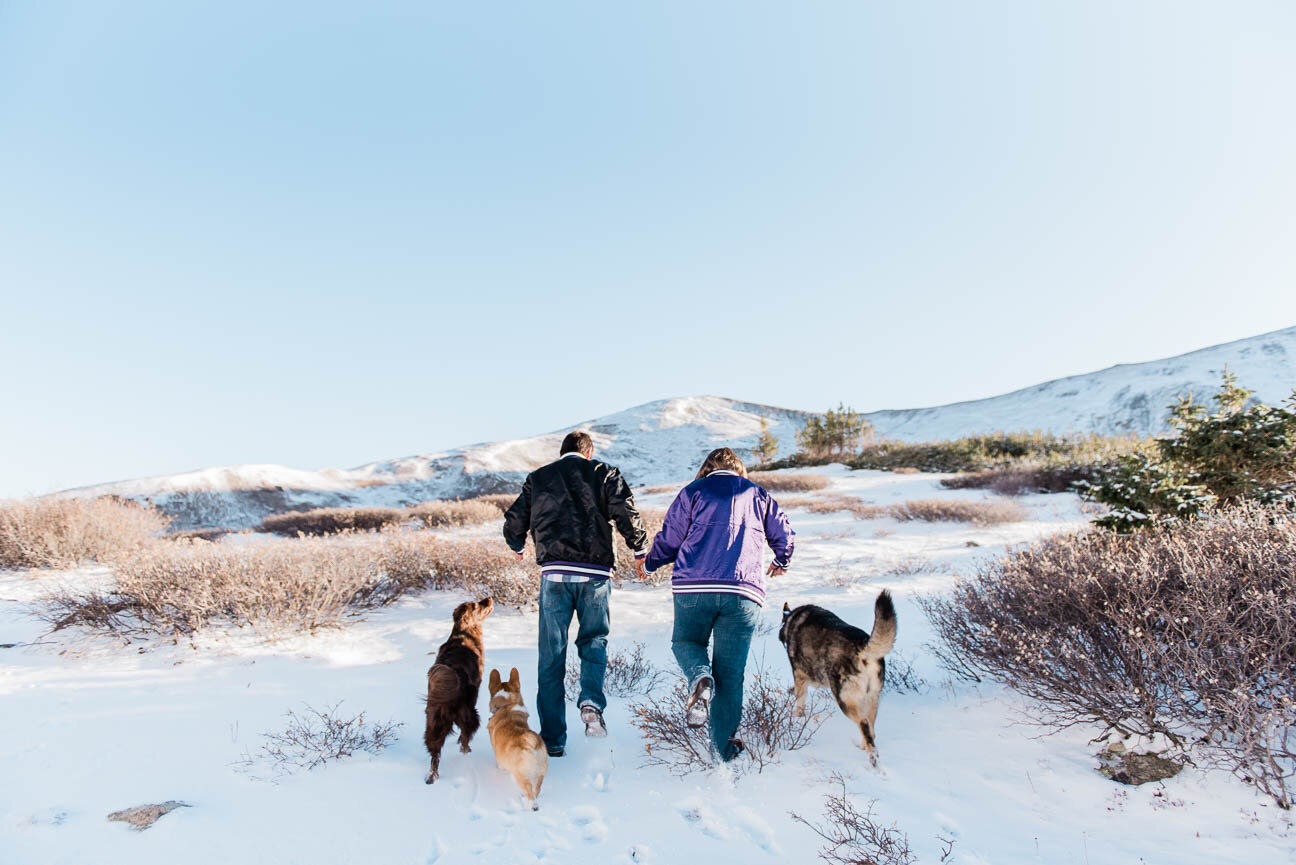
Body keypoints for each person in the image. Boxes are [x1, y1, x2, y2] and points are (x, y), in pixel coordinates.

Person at [503, 431, 649, 757]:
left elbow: (515, 519)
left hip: (553, 576)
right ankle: (591, 702)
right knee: (594, 640)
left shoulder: (539, 477)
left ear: (562, 452)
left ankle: (554, 741)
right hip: (595, 576)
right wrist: (639, 547)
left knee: (551, 656)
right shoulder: (604, 473)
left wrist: (517, 545)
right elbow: (624, 510)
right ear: (589, 452)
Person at [644, 447, 794, 762]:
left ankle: (699, 676)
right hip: (743, 592)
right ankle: (723, 749)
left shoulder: (693, 492)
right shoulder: (757, 494)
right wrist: (782, 560)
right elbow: (783, 532)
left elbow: (671, 538)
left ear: (706, 468)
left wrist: (649, 564)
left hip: (693, 588)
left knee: (686, 641)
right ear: (739, 469)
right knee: (730, 673)